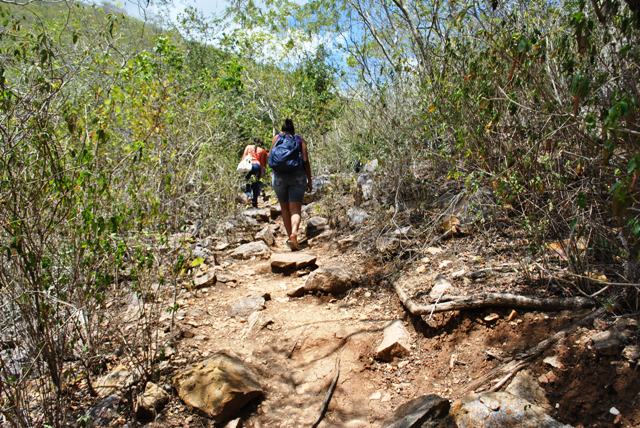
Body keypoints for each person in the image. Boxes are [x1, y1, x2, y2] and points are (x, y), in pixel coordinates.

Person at [270, 119, 312, 250]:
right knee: (295, 209)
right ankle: (294, 233)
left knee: (284, 209)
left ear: (282, 129)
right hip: (297, 176)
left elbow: (270, 156)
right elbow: (305, 161)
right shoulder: (300, 140)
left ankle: (290, 238)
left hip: (279, 177)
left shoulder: (276, 138)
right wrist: (309, 179)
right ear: (293, 129)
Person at [241, 138, 268, 208]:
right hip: (256, 166)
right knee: (256, 184)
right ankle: (254, 202)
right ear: (261, 144)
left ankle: (249, 195)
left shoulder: (248, 147)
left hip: (248, 166)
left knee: (248, 182)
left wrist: (242, 169)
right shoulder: (262, 151)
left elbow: (243, 158)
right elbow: (262, 164)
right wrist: (262, 173)